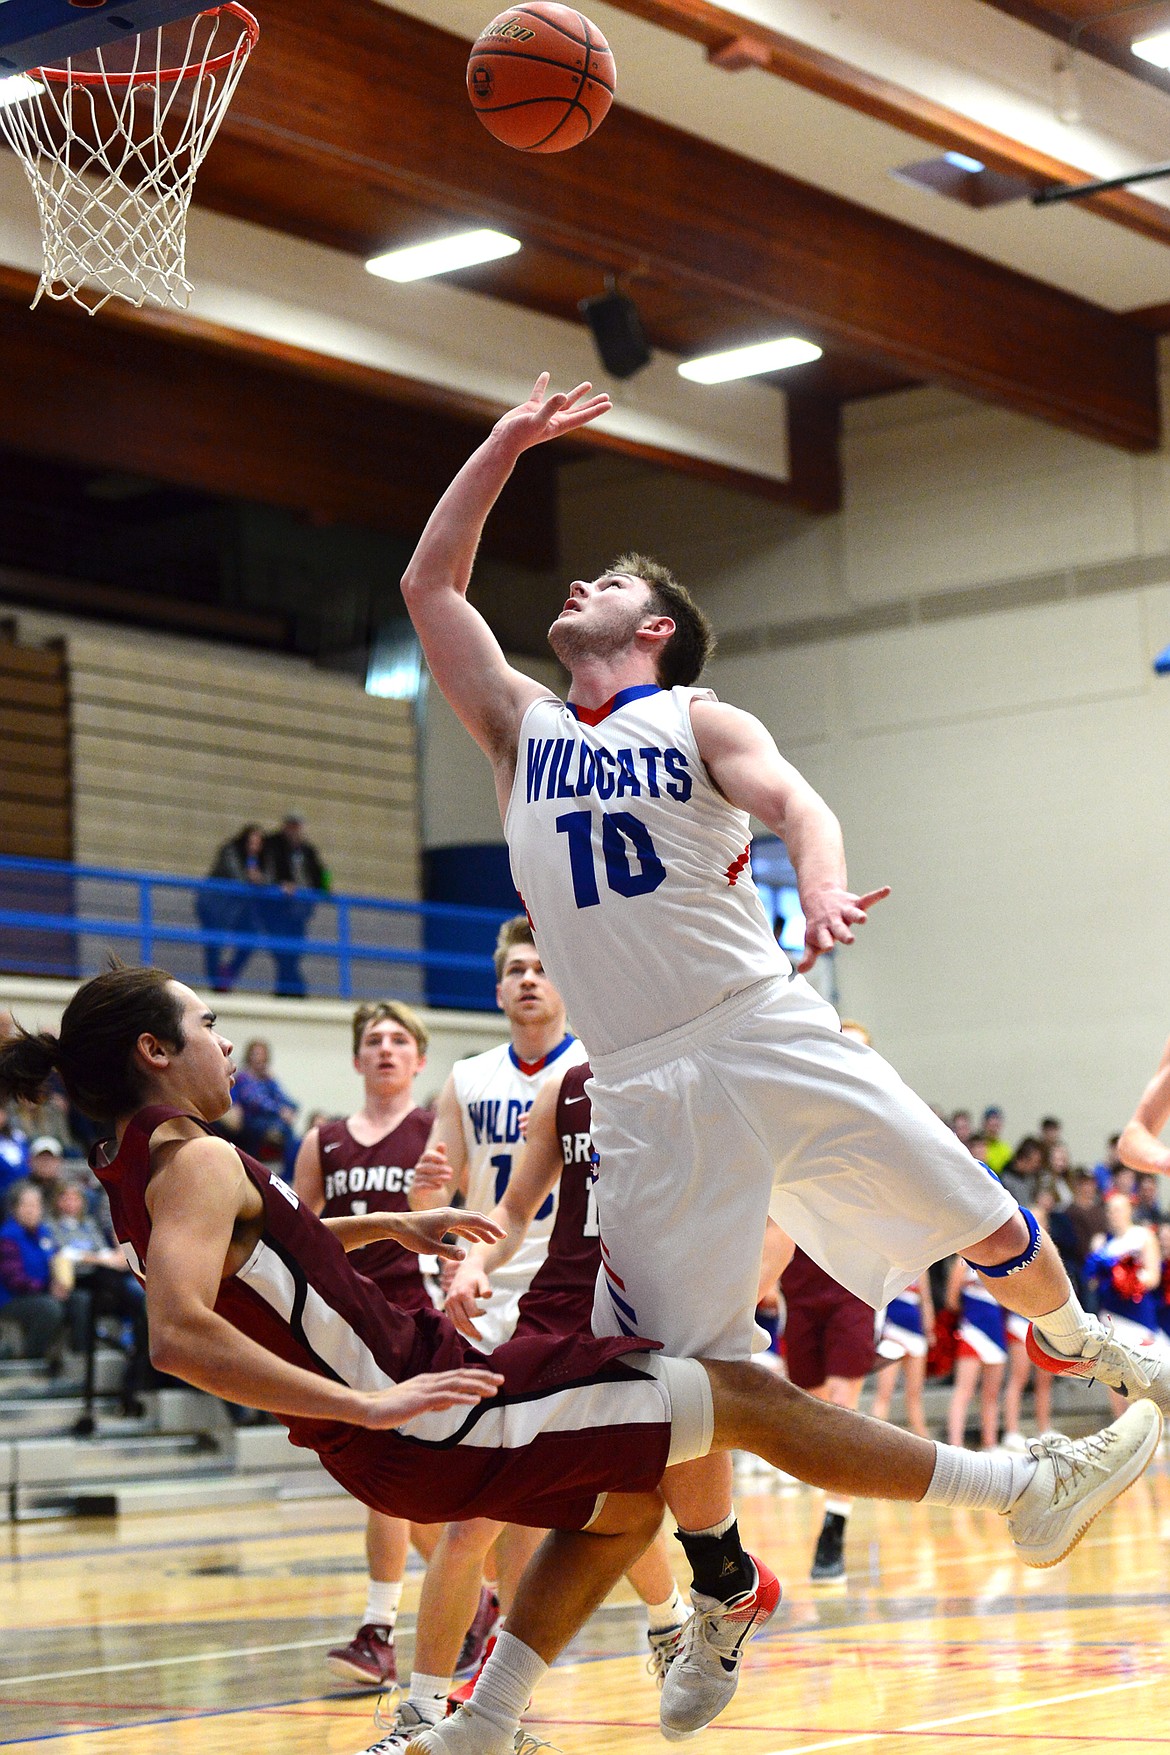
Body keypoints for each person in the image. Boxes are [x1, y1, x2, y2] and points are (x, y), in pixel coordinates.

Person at [398, 372, 1170, 1739]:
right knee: (680, 1385)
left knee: (968, 1199)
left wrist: (819, 885)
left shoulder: (696, 718)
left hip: (755, 1020)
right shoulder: (518, 733)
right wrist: (508, 440)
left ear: (650, 629)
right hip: (635, 1082)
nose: (569, 585)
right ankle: (709, 1584)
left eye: (603, 581)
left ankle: (1083, 1345)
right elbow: (429, 589)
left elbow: (795, 799)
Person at [0, 965, 1157, 1755]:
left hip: (408, 1418)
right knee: (733, 1393)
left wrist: (376, 1233)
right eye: (202, 1026)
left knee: (620, 1512)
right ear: (157, 1049)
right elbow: (181, 1335)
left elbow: (249, 1264)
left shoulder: (150, 1165)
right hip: (420, 1414)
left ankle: (488, 1722)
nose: (220, 1042)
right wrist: (370, 1394)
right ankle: (1021, 1493)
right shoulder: (194, 1162)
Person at [429, 1058, 688, 1729]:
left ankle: (685, 1608)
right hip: (553, 1308)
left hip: (639, 1312)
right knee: (478, 1515)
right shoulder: (565, 1087)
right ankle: (427, 1710)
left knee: (616, 1501)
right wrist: (474, 1261)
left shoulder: (680, 1069)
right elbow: (515, 1208)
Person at [408, 917, 588, 1693]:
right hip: (486, 1292)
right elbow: (435, 1195)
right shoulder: (467, 1075)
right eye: (515, 967)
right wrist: (442, 1249)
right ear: (497, 988)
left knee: (543, 1505)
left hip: (577, 1296)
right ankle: (456, 1693)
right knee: (479, 1510)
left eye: (542, 966)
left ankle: (487, 1690)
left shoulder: (596, 1066)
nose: (527, 978)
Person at [293, 1000, 445, 1689]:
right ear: (356, 1059)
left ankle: (379, 1629)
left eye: (397, 1039)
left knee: (388, 1476)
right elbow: (296, 1236)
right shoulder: (323, 1139)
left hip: (417, 1317)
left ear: (418, 1058)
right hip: (341, 1323)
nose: (384, 1048)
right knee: (400, 1484)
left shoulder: (436, 1132)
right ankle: (475, 1602)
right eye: (373, 1040)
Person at [778, 1237, 877, 1583]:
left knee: (840, 1411)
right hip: (800, 1294)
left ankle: (833, 1528)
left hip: (852, 1292)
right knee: (815, 1423)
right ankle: (830, 1508)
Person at [46, 1177, 149, 1413]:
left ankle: (132, 1334)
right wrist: (98, 1258)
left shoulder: (89, 1225)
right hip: (79, 1283)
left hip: (106, 1278)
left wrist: (98, 1257)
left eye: (76, 1198)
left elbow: (102, 1252)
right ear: (57, 1201)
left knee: (135, 1290)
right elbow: (65, 1255)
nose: (72, 1202)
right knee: (129, 1290)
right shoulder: (52, 1226)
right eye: (66, 1197)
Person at [0, 1180, 79, 1361]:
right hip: (13, 1298)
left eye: (36, 1205)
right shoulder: (8, 1237)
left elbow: (56, 1259)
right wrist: (47, 1287)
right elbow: (14, 1280)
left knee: (81, 1300)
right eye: (26, 1205)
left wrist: (61, 1282)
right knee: (49, 1308)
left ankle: (80, 1359)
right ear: (15, 1208)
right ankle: (31, 1359)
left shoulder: (44, 1232)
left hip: (44, 1292)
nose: (32, 1210)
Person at [197, 824, 270, 992]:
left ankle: (227, 974)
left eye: (258, 843)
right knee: (214, 944)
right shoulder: (230, 851)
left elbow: (268, 878)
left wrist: (260, 878)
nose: (255, 846)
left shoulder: (260, 859)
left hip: (237, 909)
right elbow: (237, 877)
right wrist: (251, 877)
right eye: (252, 842)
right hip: (215, 905)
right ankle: (216, 983)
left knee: (251, 937)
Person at [262, 814, 328, 999]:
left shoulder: (308, 851)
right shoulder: (274, 846)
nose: (294, 831)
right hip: (278, 910)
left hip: (299, 912)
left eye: (297, 826)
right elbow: (268, 871)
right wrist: (280, 885)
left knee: (293, 952)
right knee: (283, 952)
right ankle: (294, 990)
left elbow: (321, 874)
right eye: (291, 826)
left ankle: (288, 990)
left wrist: (323, 889)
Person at [871, 1271, 934, 1440]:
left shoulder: (921, 1265)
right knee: (884, 1393)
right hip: (891, 1332)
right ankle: (874, 1441)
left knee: (915, 1395)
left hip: (916, 1333)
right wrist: (879, 1332)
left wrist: (930, 1330)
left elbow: (925, 1299)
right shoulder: (886, 1260)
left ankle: (924, 1444)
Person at [229, 1039, 300, 1178]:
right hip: (251, 1122)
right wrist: (280, 1111)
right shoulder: (244, 1078)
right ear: (249, 1056)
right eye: (256, 1054)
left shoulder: (269, 1080)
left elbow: (288, 1101)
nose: (259, 1058)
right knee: (271, 1128)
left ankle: (289, 1176)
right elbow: (255, 1102)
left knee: (292, 1136)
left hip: (272, 1121)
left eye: (262, 1055)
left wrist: (288, 1108)